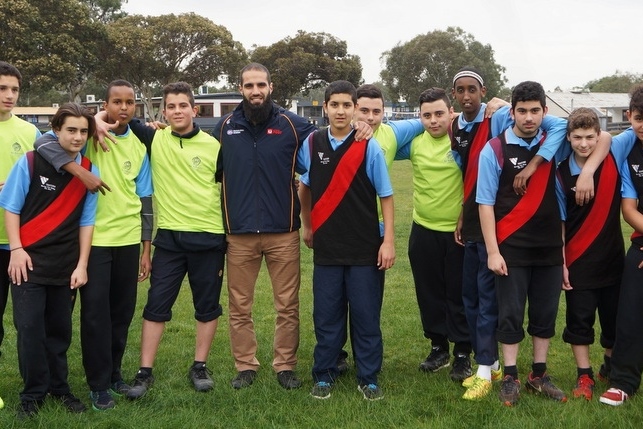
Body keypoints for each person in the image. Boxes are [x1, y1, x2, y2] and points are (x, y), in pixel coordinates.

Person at [213, 63, 372, 390]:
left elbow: (332, 136)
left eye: (261, 85)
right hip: (239, 233)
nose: (255, 91)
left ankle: (285, 365)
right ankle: (245, 365)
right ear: (240, 88)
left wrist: (360, 123)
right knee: (239, 305)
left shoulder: (292, 124)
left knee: (286, 305)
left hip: (283, 231)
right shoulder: (225, 127)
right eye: (248, 85)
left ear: (271, 87)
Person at [449, 67, 574, 400]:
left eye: (535, 111)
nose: (529, 117)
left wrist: (533, 165)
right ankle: (511, 377)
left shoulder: (554, 145)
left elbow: (569, 125)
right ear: (512, 113)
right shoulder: (495, 148)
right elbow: (485, 203)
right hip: (510, 247)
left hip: (549, 246)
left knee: (545, 315)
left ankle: (539, 374)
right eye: (522, 111)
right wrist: (492, 251)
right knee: (510, 314)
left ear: (544, 112)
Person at [33, 80, 153, 410]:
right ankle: (97, 383)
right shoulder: (88, 137)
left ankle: (114, 374)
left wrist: (146, 247)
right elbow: (43, 140)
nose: (124, 108)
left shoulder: (140, 145)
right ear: (106, 104)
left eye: (130, 102)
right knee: (95, 315)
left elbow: (144, 199)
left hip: (128, 240)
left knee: (122, 313)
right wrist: (79, 166)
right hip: (95, 241)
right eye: (117, 102)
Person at [112, 82, 226, 399]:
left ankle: (200, 366)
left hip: (209, 238)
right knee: (155, 306)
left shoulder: (214, 146)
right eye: (171, 107)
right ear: (164, 112)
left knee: (207, 308)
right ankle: (144, 372)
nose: (177, 111)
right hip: (170, 242)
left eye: (182, 106)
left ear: (195, 109)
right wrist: (96, 120)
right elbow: (118, 116)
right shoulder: (154, 137)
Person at [0, 103, 99, 418]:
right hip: (27, 263)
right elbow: (11, 208)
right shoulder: (29, 162)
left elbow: (87, 221)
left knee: (59, 332)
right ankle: (31, 395)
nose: (78, 137)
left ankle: (60, 388)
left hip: (65, 265)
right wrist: (16, 249)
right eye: (71, 130)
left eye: (84, 131)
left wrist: (82, 264)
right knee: (29, 330)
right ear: (56, 131)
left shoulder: (89, 170)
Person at [298, 80, 395, 400]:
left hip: (365, 247)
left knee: (366, 316)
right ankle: (323, 373)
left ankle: (368, 377)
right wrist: (307, 225)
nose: (340, 110)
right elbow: (305, 187)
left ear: (355, 109)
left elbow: (387, 196)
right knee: (327, 315)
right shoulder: (312, 143)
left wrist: (388, 241)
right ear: (324, 107)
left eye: (346, 105)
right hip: (327, 247)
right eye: (334, 105)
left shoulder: (369, 147)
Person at [332, 84, 423, 373]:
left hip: (374, 232)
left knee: (366, 302)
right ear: (353, 107)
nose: (370, 118)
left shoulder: (393, 132)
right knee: (332, 301)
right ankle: (335, 355)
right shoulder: (335, 136)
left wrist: (490, 106)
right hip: (339, 228)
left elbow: (438, 117)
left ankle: (366, 362)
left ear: (385, 112)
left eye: (376, 111)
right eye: (364, 110)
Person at [395, 88, 471, 381]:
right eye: (426, 115)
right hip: (422, 230)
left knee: (458, 294)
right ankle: (438, 347)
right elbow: (385, 137)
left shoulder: (464, 142)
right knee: (429, 294)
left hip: (457, 233)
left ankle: (463, 352)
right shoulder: (413, 144)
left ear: (451, 112)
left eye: (439, 113)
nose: (433, 120)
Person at [558, 108, 633, 401]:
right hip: (577, 260)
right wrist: (563, 263)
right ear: (569, 138)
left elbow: (612, 135)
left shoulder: (614, 153)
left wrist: (589, 170)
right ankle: (584, 374)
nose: (585, 143)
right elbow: (561, 222)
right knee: (580, 321)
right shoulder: (560, 171)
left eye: (590, 136)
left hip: (613, 258)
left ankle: (609, 364)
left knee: (614, 320)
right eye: (577, 137)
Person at [599, 85, 643, 406]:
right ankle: (624, 379)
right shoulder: (629, 152)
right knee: (630, 306)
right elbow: (629, 210)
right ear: (630, 117)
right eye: (640, 119)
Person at [0, 61, 41, 368]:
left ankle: (38, 383)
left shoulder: (31, 132)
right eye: (3, 88)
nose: (9, 95)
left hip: (24, 245)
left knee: (29, 322)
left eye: (14, 89)